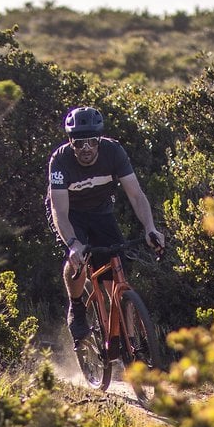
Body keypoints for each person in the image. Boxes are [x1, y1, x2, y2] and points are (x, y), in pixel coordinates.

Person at [47, 106, 165, 343]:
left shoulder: (114, 151)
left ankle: (129, 342)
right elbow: (59, 211)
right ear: (70, 142)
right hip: (71, 215)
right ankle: (77, 306)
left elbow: (136, 195)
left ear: (99, 139)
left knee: (117, 278)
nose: (86, 148)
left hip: (101, 211)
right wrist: (72, 244)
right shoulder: (60, 160)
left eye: (91, 141)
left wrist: (150, 228)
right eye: (79, 143)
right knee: (77, 260)